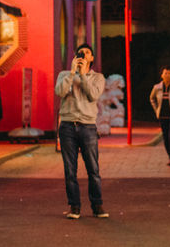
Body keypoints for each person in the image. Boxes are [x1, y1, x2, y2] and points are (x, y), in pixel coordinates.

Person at [54, 43, 107, 219]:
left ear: (91, 58)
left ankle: (97, 205)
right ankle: (74, 207)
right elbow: (60, 92)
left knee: (93, 169)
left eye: (87, 53)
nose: (83, 55)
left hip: (88, 127)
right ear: (75, 55)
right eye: (80, 53)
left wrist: (83, 76)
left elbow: (93, 95)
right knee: (70, 170)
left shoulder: (97, 77)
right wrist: (71, 73)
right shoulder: (64, 74)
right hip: (68, 126)